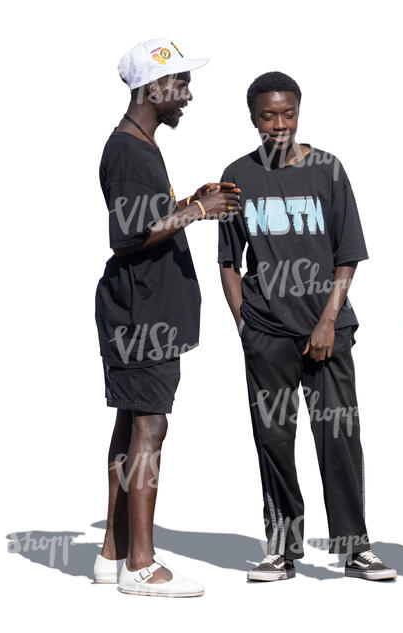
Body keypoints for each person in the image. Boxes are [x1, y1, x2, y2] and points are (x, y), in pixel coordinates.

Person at [218, 72, 396, 582]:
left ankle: (356, 548)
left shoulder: (327, 170)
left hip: (327, 331)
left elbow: (348, 254)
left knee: (339, 436)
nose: (279, 124)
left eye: (287, 113)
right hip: (267, 333)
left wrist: (327, 321)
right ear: (253, 118)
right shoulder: (237, 177)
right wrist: (244, 324)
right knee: (273, 438)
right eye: (267, 115)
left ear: (299, 112)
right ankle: (282, 548)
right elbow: (229, 260)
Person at [93, 38, 240, 598]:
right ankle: (142, 566)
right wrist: (198, 212)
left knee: (130, 426)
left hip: (142, 312)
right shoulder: (130, 150)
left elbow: (149, 216)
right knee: (149, 428)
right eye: (179, 84)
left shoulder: (141, 146)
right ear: (152, 88)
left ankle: (113, 552)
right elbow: (129, 233)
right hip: (141, 315)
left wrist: (189, 200)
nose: (188, 95)